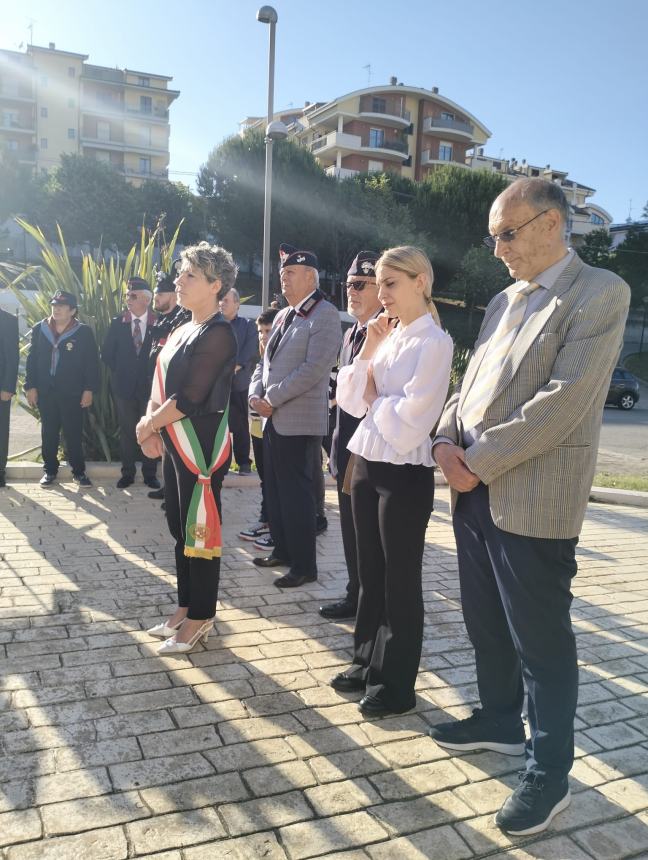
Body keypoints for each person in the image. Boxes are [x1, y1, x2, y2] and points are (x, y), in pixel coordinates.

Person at [428, 178, 630, 837]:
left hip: (534, 497)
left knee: (541, 642)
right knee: (487, 622)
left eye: (507, 233)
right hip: (473, 490)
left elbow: (565, 402)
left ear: (551, 224)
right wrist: (442, 439)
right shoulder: (502, 301)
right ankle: (497, 721)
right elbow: (472, 383)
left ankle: (550, 773)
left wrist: (473, 463)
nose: (498, 248)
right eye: (493, 236)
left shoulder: (599, 293)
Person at [331, 246, 453, 718]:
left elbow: (413, 421)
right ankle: (366, 662)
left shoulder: (434, 342)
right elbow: (350, 401)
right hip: (365, 462)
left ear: (420, 281)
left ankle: (397, 684)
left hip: (403, 473)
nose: (380, 295)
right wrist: (368, 352)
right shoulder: (387, 334)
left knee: (401, 581)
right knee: (369, 574)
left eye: (390, 284)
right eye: (377, 285)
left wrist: (377, 396)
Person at [136, 242, 237, 654]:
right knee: (180, 528)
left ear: (215, 285)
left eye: (189, 274)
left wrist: (148, 424)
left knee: (200, 531)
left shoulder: (219, 333)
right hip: (175, 440)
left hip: (201, 448)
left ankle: (201, 616)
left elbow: (191, 396)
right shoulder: (182, 327)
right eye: (181, 272)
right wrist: (152, 427)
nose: (178, 280)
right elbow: (160, 383)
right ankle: (185, 606)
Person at [249, 248, 342, 587]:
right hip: (272, 418)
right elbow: (264, 361)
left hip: (298, 422)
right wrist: (255, 394)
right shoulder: (285, 314)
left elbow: (315, 368)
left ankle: (304, 566)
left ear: (309, 277)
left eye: (290, 274)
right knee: (274, 490)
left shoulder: (325, 314)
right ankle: (283, 551)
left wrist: (271, 398)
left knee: (298, 497)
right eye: (282, 274)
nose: (283, 279)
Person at [319, 251, 383, 620]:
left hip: (372, 454)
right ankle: (354, 593)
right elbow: (339, 401)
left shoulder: (388, 332)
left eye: (361, 285)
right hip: (346, 449)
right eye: (348, 285)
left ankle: (369, 601)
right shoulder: (351, 334)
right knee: (350, 530)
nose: (351, 292)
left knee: (369, 536)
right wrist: (334, 448)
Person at [24, 290, 99, 487]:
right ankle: (49, 471)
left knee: (73, 433)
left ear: (72, 310)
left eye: (61, 306)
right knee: (48, 432)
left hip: (73, 393)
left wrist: (89, 389)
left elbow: (92, 363)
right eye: (54, 305)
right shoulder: (40, 329)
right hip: (46, 391)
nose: (56, 309)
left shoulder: (83, 332)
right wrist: (30, 386)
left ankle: (79, 472)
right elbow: (31, 360)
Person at [101, 277, 160, 490]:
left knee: (150, 430)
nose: (128, 299)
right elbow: (107, 354)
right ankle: (127, 473)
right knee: (127, 431)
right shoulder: (118, 323)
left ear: (146, 299)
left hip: (150, 389)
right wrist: (123, 370)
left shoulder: (158, 323)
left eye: (133, 295)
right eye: (127, 295)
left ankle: (150, 474)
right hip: (123, 388)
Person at [146, 266, 191, 501]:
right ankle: (169, 489)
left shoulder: (183, 321)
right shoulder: (163, 321)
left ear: (173, 296)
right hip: (160, 391)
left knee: (177, 447)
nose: (156, 299)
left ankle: (177, 494)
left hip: (177, 396)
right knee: (167, 445)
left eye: (160, 295)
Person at [238, 307, 278, 542]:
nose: (263, 335)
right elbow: (255, 377)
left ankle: (275, 524)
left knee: (275, 477)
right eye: (261, 331)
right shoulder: (260, 353)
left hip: (275, 423)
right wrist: (254, 397)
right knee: (265, 476)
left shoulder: (283, 353)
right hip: (257, 423)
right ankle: (266, 518)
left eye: (268, 330)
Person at [219, 287, 258, 475]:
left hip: (239, 384)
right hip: (217, 386)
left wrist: (231, 367)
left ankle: (243, 462)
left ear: (237, 303)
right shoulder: (213, 325)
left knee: (241, 425)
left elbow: (250, 351)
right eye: (220, 300)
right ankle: (222, 464)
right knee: (220, 426)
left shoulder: (248, 325)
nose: (222, 303)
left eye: (226, 300)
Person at [0, 304, 19, 488]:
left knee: (0, 431)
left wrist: (7, 387)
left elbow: (13, 358)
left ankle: (0, 471)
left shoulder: (8, 321)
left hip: (1, 389)